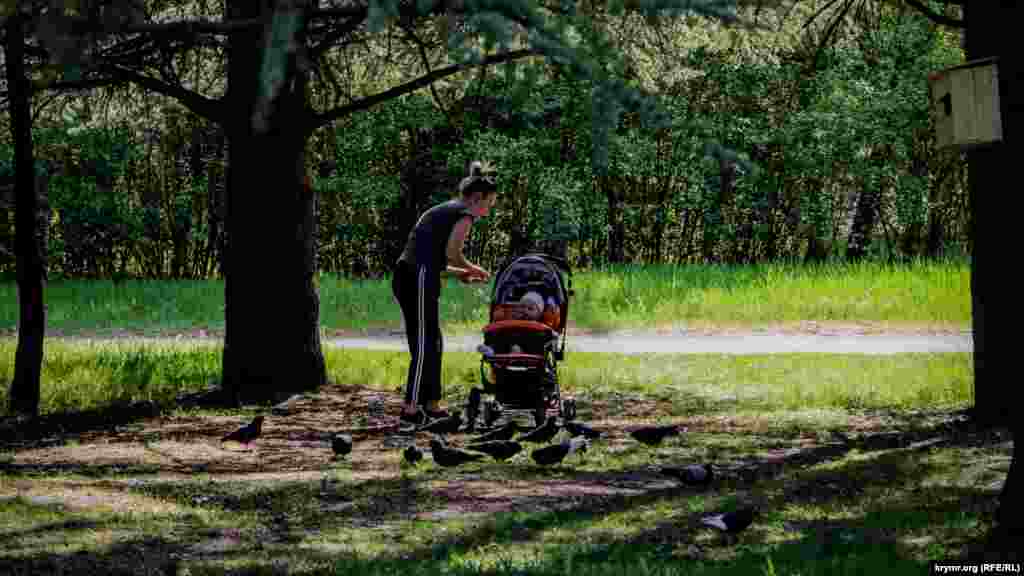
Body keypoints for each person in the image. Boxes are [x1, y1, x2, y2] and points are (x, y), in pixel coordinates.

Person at [392, 160, 498, 428]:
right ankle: (410, 409)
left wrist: (460, 274)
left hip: (416, 276)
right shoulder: (464, 214)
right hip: (415, 278)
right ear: (477, 198)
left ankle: (432, 404)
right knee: (424, 345)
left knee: (434, 342)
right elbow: (452, 254)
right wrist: (475, 268)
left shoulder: (447, 210)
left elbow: (433, 261)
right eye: (489, 204)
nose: (488, 210)